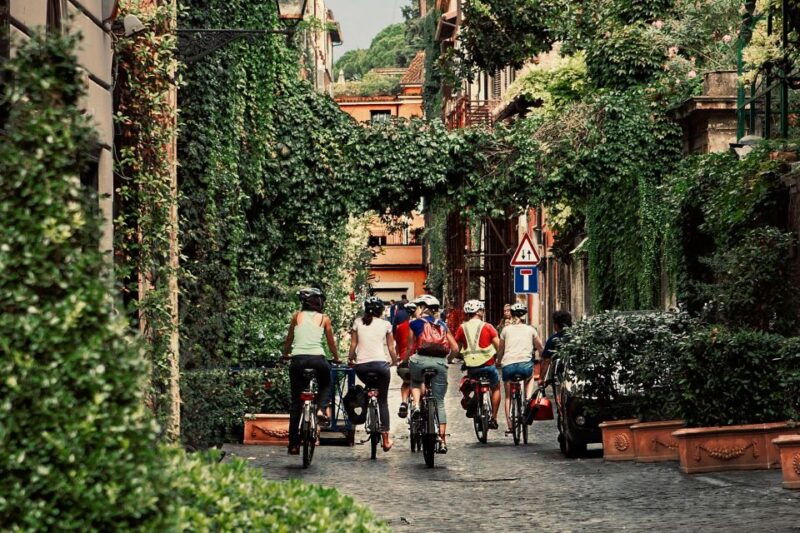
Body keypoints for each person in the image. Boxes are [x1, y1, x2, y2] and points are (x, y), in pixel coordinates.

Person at [282, 287, 341, 456]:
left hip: (298, 360)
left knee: (296, 404)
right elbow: (331, 343)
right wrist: (336, 358)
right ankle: (321, 409)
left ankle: (293, 445)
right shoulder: (324, 318)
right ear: (318, 302)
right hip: (318, 359)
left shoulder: (296, 316)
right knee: (326, 382)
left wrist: (285, 355)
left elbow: (289, 339)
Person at [407, 294, 458, 453]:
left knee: (415, 382)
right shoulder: (443, 325)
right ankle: (442, 441)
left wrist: (406, 359)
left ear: (422, 308)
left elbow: (410, 347)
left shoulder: (415, 323)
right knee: (440, 402)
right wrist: (447, 360)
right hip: (439, 363)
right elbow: (455, 348)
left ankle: (415, 405)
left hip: (420, 360)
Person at [348, 296, 398, 452]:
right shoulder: (386, 324)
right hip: (381, 367)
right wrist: (394, 361)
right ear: (381, 311)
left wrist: (351, 359)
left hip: (362, 368)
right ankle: (386, 440)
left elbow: (353, 344)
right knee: (383, 401)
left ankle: (366, 402)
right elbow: (391, 348)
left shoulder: (357, 322)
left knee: (367, 388)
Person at [496, 302, 545, 434]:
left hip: (508, 366)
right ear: (525, 315)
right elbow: (540, 348)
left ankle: (510, 426)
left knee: (508, 397)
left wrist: (498, 362)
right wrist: (542, 358)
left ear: (511, 315)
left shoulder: (505, 330)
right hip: (525, 366)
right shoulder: (531, 330)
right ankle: (528, 400)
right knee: (529, 379)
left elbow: (501, 350)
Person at [454, 300, 501, 430]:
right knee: (496, 388)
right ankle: (494, 418)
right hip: (489, 364)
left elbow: (456, 349)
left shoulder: (462, 328)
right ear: (480, 312)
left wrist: (453, 358)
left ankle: (474, 404)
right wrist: (499, 359)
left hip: (472, 367)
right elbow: (499, 346)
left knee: (473, 384)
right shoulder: (488, 327)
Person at [395, 301, 418, 418]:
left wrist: (398, 358)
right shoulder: (423, 325)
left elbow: (398, 344)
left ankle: (404, 402)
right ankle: (416, 404)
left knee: (406, 382)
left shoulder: (400, 327)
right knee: (420, 383)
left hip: (405, 360)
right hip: (419, 360)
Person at [540, 310, 572, 385]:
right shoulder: (576, 338)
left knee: (558, 393)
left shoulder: (553, 340)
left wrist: (541, 378)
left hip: (558, 375)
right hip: (575, 373)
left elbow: (546, 361)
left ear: (556, 325)